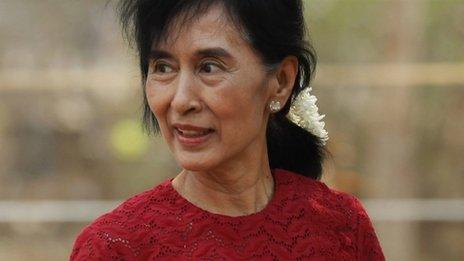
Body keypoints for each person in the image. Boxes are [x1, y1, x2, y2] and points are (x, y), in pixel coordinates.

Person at [70, 0, 385, 259]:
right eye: (163, 68)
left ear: (281, 81)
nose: (181, 101)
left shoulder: (341, 226)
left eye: (209, 67)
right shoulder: (114, 249)